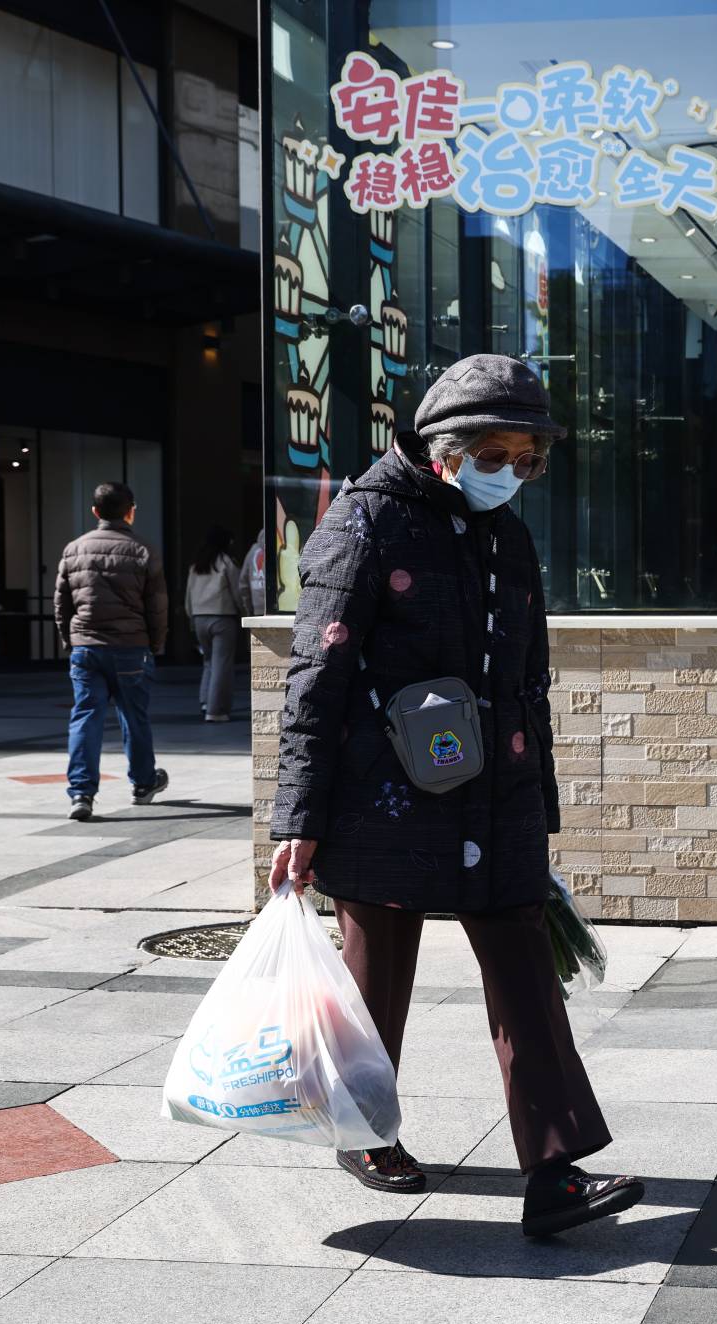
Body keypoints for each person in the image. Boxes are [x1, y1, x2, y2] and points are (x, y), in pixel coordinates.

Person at [268, 355, 641, 1237]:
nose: (509, 473)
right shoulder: (366, 521)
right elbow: (316, 675)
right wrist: (300, 818)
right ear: (444, 449)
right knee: (374, 977)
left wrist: (537, 803)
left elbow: (528, 682)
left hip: (498, 800)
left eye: (526, 458)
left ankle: (555, 1173)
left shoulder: (509, 536)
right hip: (383, 799)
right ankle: (363, 1133)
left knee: (528, 983)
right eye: (494, 454)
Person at [55, 481, 169, 821]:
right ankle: (143, 783)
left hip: (86, 647)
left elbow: (62, 604)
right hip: (131, 646)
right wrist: (155, 644)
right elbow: (157, 606)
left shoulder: (74, 549)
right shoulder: (143, 550)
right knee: (134, 716)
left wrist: (70, 640)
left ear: (95, 512)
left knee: (85, 716)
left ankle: (81, 793)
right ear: (130, 511)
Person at [185, 526, 247, 722]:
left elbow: (188, 596)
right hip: (222, 617)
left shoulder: (196, 565)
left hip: (199, 617)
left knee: (209, 661)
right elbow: (237, 590)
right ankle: (216, 710)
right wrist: (243, 611)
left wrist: (192, 617)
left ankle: (205, 701)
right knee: (222, 664)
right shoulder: (226, 562)